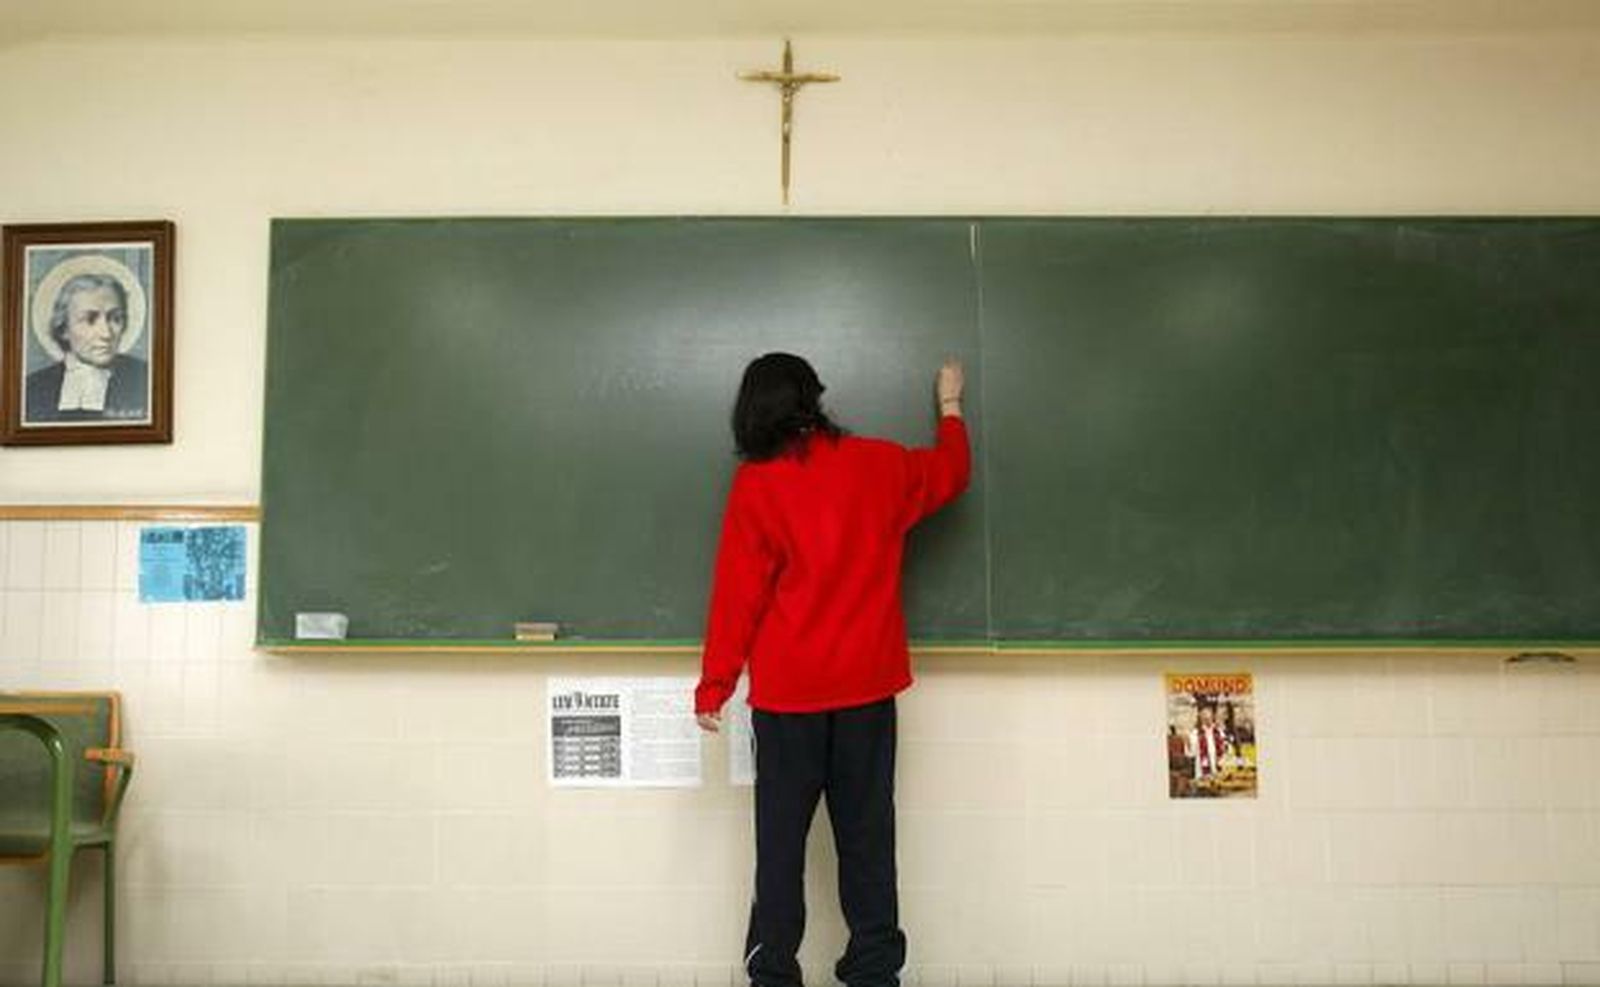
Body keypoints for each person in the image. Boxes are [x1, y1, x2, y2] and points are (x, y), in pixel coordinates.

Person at [694, 352, 971, 987]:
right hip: (867, 694)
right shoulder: (880, 464)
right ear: (814, 399)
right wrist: (951, 407)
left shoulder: (758, 485)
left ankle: (774, 975)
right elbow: (954, 472)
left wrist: (716, 683)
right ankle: (875, 973)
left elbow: (738, 593)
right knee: (868, 844)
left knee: (781, 850)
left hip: (789, 701)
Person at [25, 272, 149, 423]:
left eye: (116, 318)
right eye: (90, 320)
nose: (106, 333)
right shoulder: (31, 388)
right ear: (64, 328)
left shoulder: (144, 379)